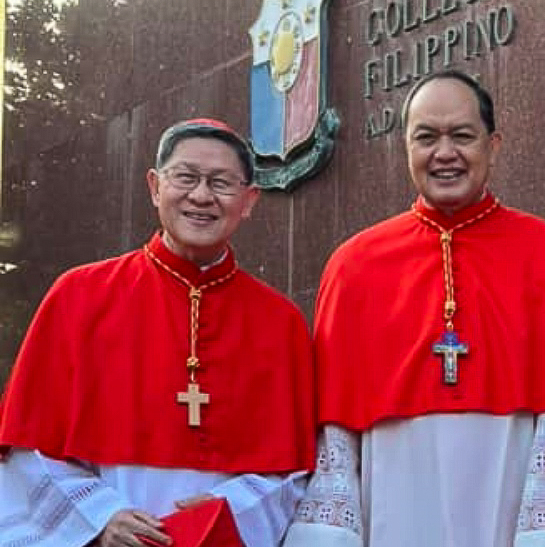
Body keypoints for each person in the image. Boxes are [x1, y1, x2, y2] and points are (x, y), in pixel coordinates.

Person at [283, 70, 545, 547]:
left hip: (510, 494)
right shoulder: (354, 265)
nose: (444, 153)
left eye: (462, 136)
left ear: (493, 145)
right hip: (391, 496)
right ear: (405, 147)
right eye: (426, 137)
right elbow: (336, 439)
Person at [0, 118, 315, 547]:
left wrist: (229, 509)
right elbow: (27, 449)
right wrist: (98, 519)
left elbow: (294, 471)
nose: (201, 195)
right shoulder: (79, 296)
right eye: (185, 177)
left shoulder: (282, 323)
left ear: (249, 200)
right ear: (154, 186)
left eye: (222, 183)